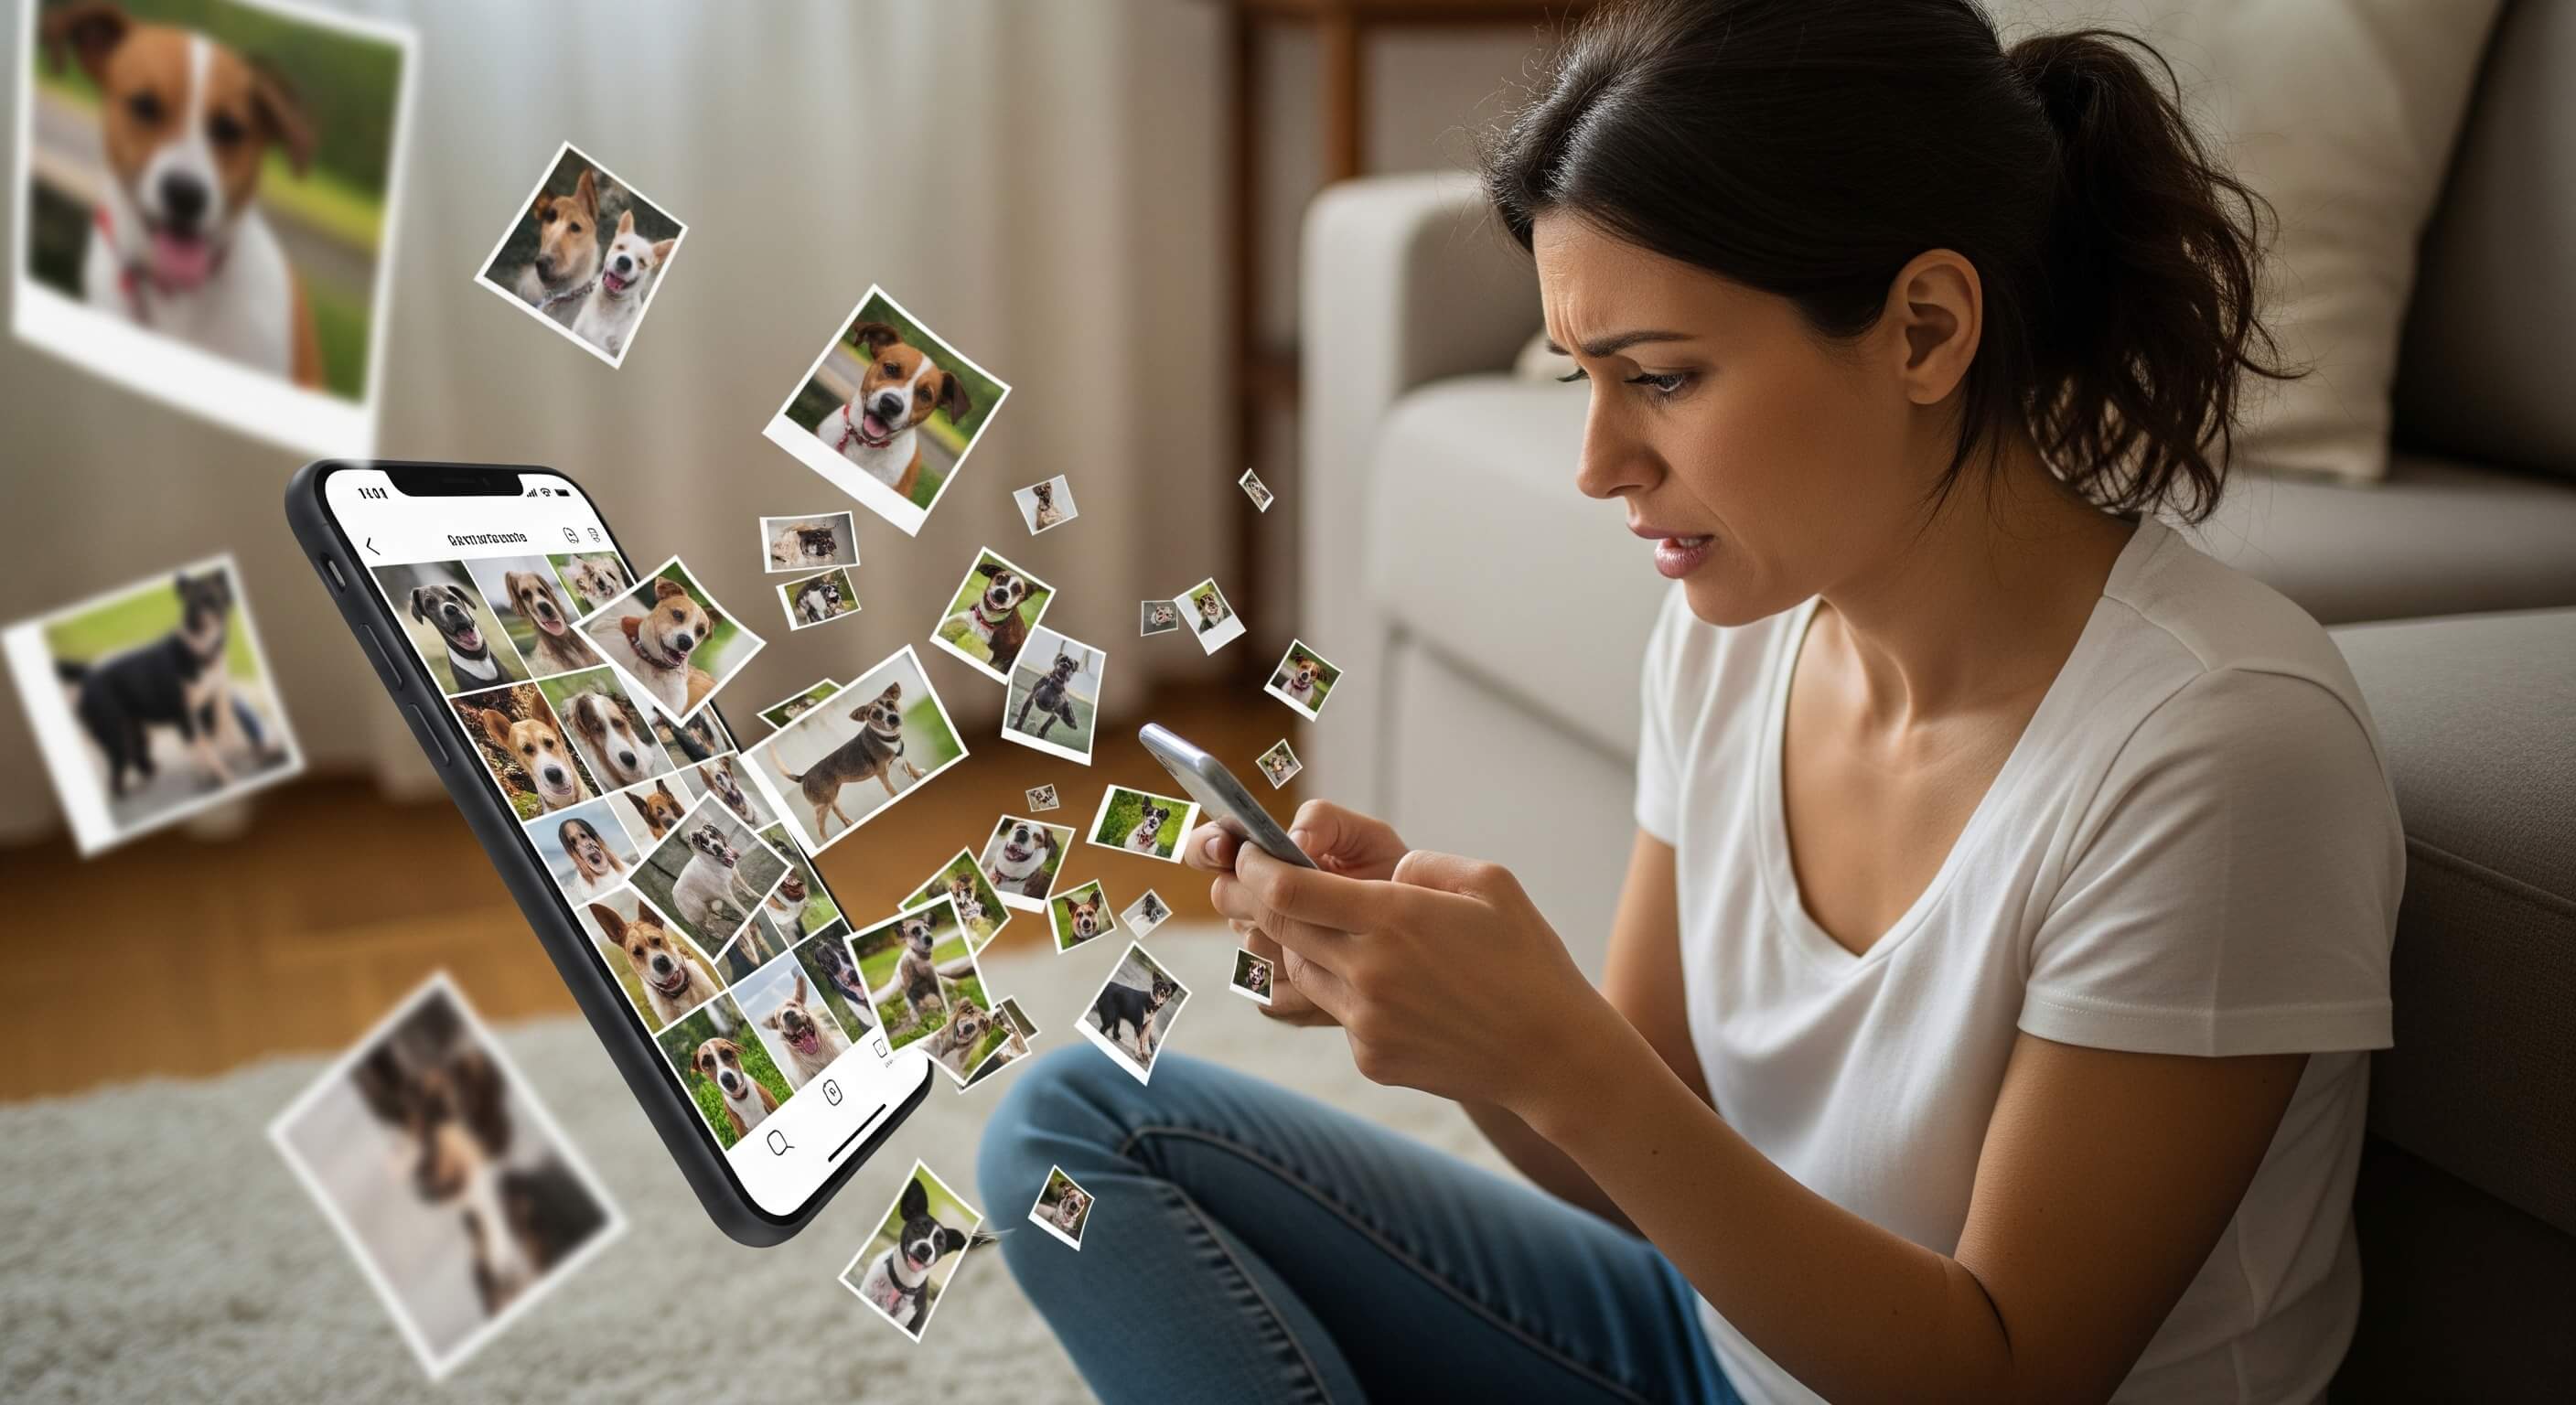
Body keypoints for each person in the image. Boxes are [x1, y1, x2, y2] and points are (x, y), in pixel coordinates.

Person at [980, 2, 2399, 1400]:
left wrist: (1566, 1055)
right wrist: (1466, 1028)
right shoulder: (1737, 634)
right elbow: (1645, 1165)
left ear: (1924, 329)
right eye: (1579, 378)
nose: (1597, 463)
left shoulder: (2220, 750)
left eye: (1660, 377)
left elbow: (2007, 1373)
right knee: (1074, 1128)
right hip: (1709, 1352)